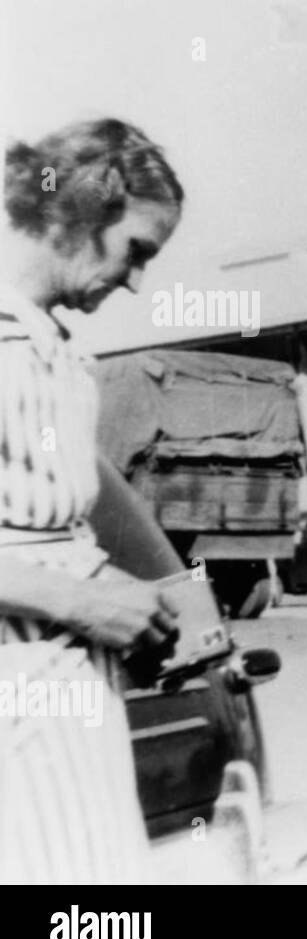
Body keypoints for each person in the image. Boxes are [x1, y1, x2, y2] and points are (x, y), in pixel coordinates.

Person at [0, 118, 185, 883]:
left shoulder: (58, 351)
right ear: (82, 210)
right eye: (137, 250)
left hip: (74, 701)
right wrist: (78, 602)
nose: (139, 279)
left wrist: (121, 594)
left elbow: (47, 526)